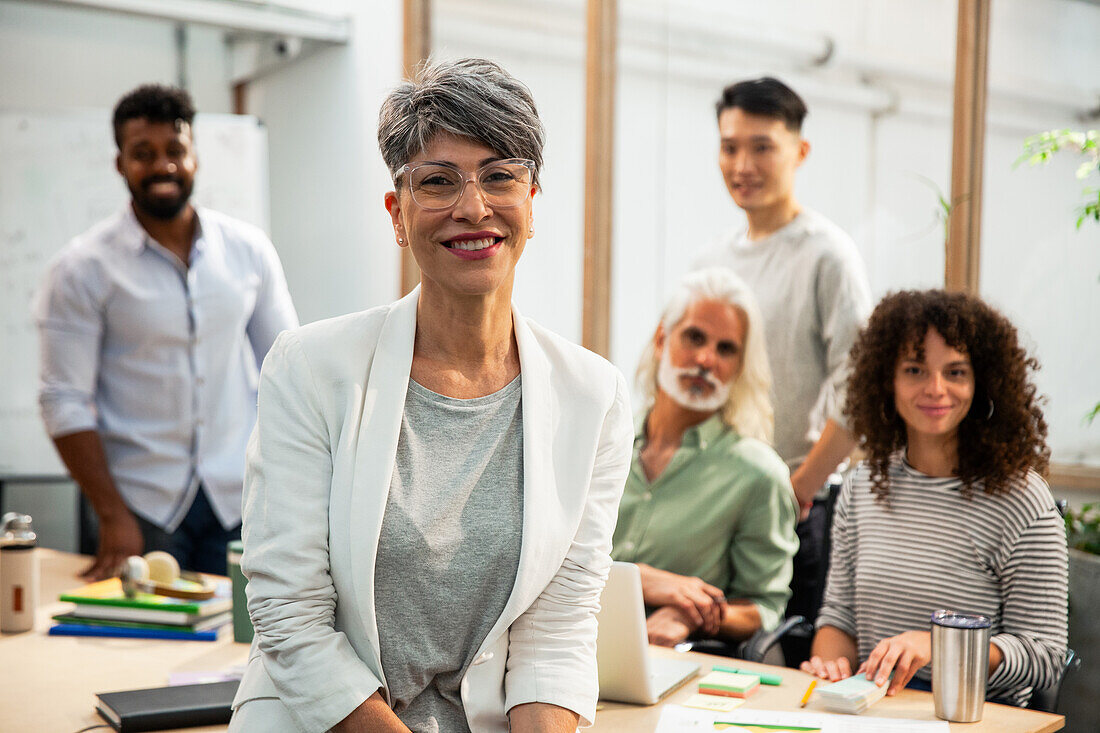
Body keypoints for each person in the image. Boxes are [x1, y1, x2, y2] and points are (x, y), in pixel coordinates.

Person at [228, 58, 634, 733]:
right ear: (397, 211)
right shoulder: (311, 367)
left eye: (500, 175)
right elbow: (290, 615)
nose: (472, 207)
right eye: (439, 181)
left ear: (532, 201)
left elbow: (557, 631)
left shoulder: (592, 396)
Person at [35, 84, 298, 579]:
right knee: (136, 652)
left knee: (245, 645)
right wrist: (112, 515)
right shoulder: (81, 269)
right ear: (120, 164)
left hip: (238, 499)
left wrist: (286, 489)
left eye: (175, 150)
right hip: (138, 508)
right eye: (143, 154)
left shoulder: (248, 250)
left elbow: (285, 370)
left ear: (194, 154)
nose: (163, 166)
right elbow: (63, 400)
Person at [800, 290, 1068, 707]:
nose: (936, 388)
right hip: (874, 712)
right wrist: (829, 665)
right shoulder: (862, 485)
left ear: (981, 382)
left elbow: (1045, 656)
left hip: (976, 719)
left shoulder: (1022, 500)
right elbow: (839, 619)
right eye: (915, 369)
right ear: (886, 380)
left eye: (956, 372)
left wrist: (942, 647)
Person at [695, 77, 872, 512]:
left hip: (799, 501)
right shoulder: (711, 259)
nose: (742, 165)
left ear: (800, 152)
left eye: (762, 147)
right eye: (730, 147)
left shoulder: (827, 255)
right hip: (717, 494)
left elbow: (862, 386)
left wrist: (799, 489)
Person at [612, 269, 798, 648]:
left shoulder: (758, 475)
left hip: (673, 664)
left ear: (740, 367)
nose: (706, 359)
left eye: (726, 349)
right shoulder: (599, 443)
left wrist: (691, 612)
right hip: (563, 649)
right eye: (694, 337)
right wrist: (647, 580)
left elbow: (764, 607)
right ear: (662, 338)